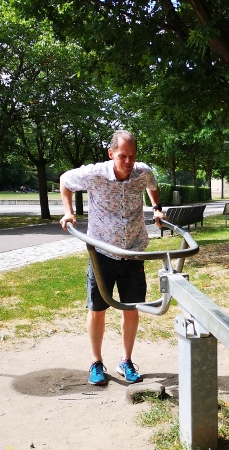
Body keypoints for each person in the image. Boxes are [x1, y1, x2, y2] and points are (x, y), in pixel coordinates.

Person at [59, 129, 166, 386]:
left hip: (133, 252)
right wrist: (69, 212)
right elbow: (64, 180)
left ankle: (126, 360)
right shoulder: (94, 173)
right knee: (97, 309)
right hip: (102, 253)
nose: (128, 161)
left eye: (132, 156)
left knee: (131, 309)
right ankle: (96, 362)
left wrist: (157, 209)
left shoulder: (143, 172)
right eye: (122, 156)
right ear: (111, 154)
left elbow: (153, 186)